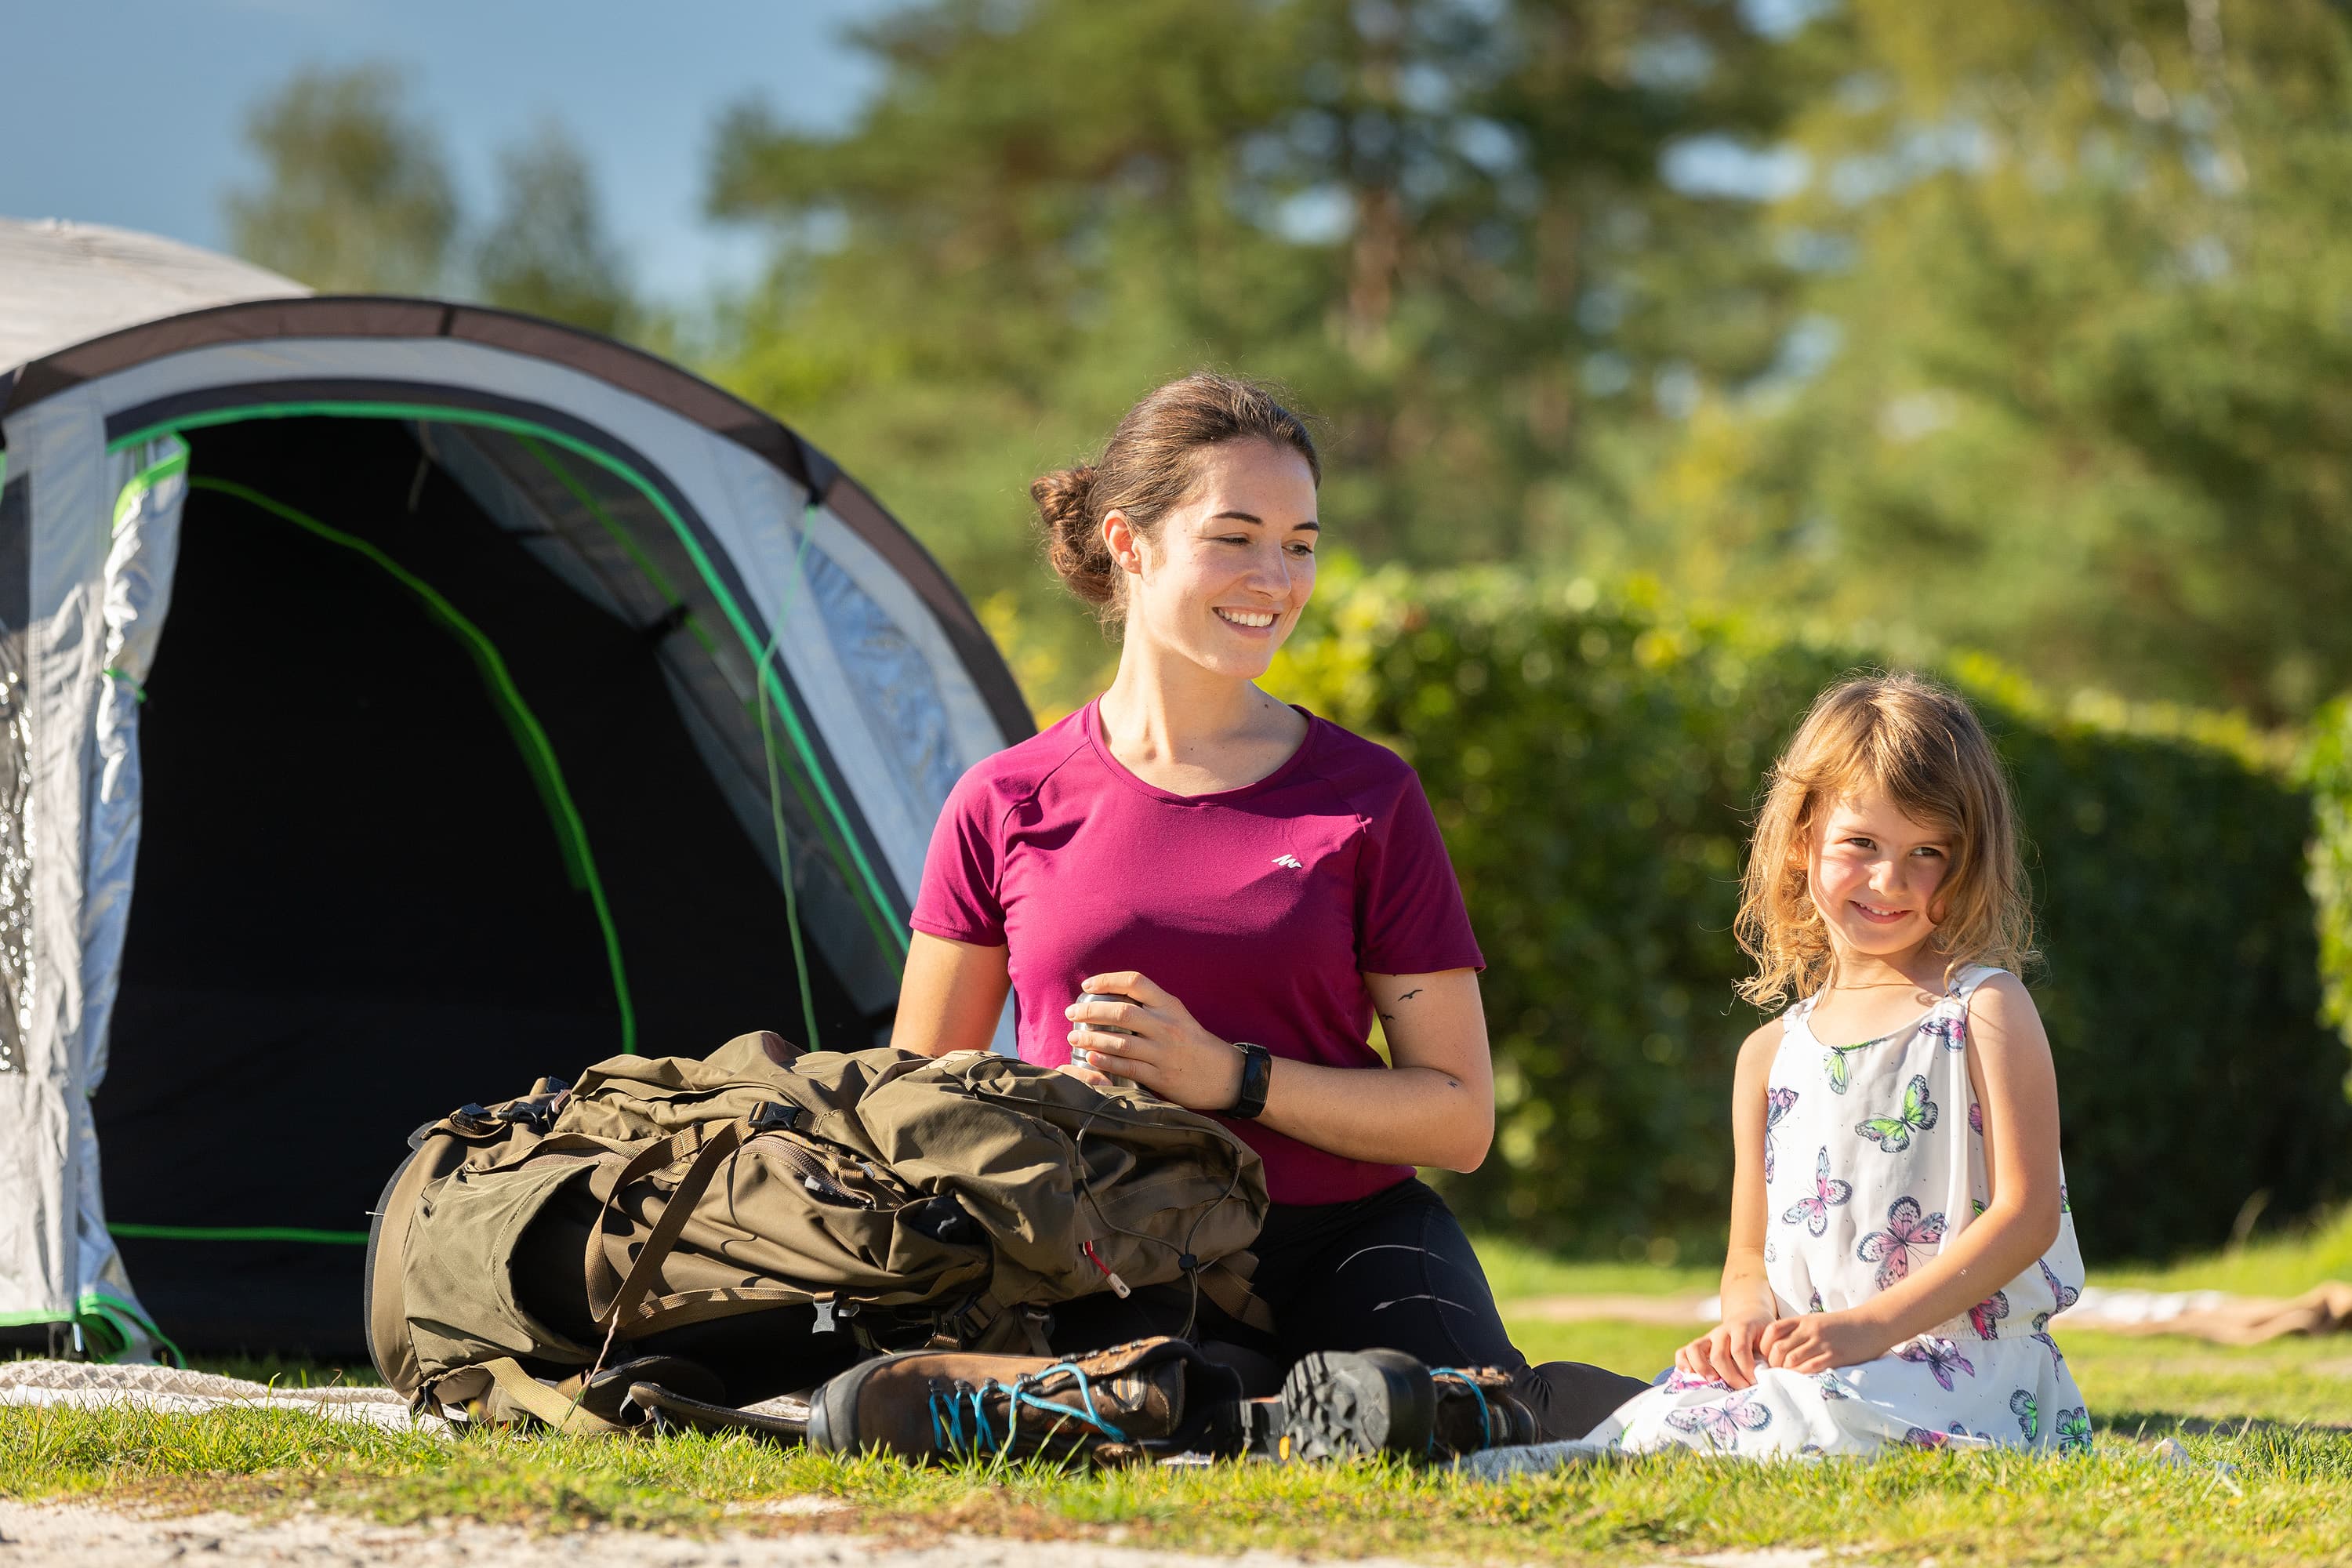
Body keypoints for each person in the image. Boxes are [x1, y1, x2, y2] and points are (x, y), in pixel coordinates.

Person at [894, 371, 1646, 1439]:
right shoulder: (1006, 800)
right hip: (1112, 1242)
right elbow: (917, 1108)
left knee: (1458, 1417)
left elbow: (1459, 1115)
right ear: (1129, 543)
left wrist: (1231, 1077)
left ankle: (1334, 1411)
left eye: (1300, 544)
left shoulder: (1367, 794)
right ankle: (1260, 1412)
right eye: (1236, 537)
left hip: (1350, 1233)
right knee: (1148, 1409)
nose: (1276, 579)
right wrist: (1049, 1104)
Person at [1588, 674, 2091, 1455]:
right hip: (1817, 1362)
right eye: (1861, 844)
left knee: (1774, 1433)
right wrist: (1744, 1324)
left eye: (1928, 852)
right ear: (1802, 838)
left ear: (1968, 861)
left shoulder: (1984, 1010)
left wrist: (1869, 1328)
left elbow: (2027, 1215)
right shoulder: (1768, 1055)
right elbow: (1748, 1256)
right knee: (1655, 1419)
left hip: (1962, 1371)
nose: (1890, 880)